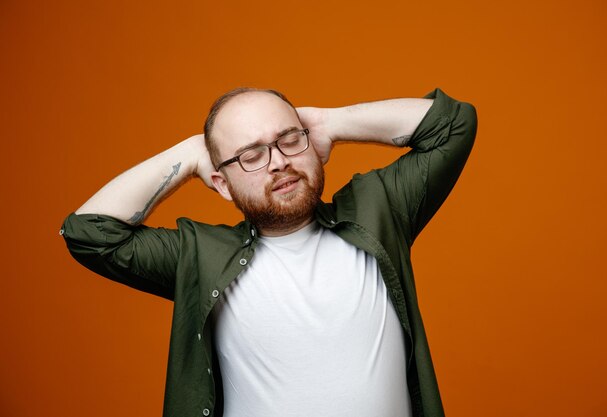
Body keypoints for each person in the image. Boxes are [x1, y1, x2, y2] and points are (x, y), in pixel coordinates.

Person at [60, 86, 477, 417]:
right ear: (221, 183)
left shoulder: (378, 210)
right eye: (251, 155)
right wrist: (188, 154)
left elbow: (454, 124)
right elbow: (89, 233)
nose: (277, 162)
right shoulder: (200, 255)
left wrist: (331, 122)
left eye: (289, 140)